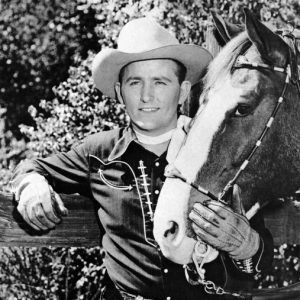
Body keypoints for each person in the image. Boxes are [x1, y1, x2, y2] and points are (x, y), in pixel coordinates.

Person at [10, 18, 273, 299]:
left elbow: (261, 258)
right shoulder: (99, 152)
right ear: (121, 93)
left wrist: (247, 245)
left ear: (183, 90)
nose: (147, 96)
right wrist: (31, 184)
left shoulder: (220, 147)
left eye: (160, 81)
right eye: (135, 82)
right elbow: (32, 167)